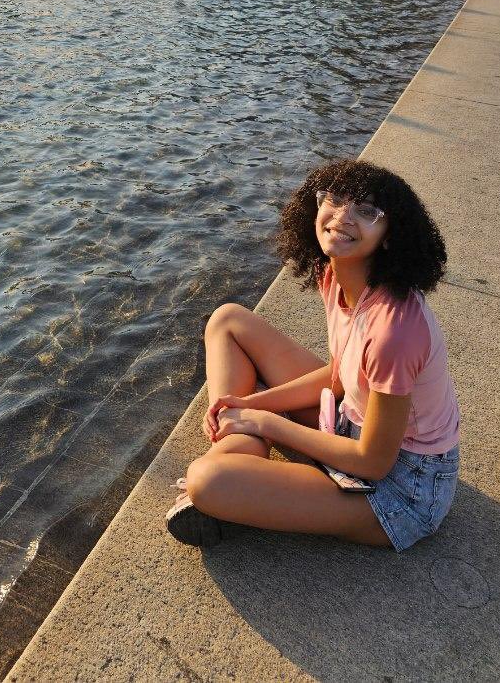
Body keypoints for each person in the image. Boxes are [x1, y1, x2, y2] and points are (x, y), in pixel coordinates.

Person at [165, 159, 460, 553]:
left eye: (367, 210)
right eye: (335, 199)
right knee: (228, 321)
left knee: (207, 481)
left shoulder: (395, 332)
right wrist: (249, 404)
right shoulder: (336, 275)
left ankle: (234, 479)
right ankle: (240, 456)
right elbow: (341, 376)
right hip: (352, 421)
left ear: (391, 235)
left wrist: (267, 422)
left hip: (402, 485)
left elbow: (374, 463)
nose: (342, 216)